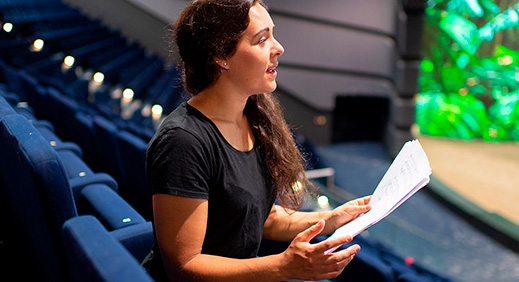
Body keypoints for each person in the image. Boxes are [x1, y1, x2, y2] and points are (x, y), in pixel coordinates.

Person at [144, 0, 372, 281]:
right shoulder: (183, 142)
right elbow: (184, 267)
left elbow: (262, 217)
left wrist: (330, 220)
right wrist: (284, 266)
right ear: (221, 56)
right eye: (262, 39)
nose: (279, 48)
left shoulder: (252, 118)